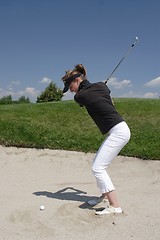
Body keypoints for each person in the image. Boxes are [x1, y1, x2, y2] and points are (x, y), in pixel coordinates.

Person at [61, 64, 131, 215]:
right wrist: (98, 88)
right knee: (98, 165)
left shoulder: (79, 96)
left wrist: (91, 89)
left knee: (98, 168)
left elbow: (82, 100)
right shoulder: (101, 86)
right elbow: (109, 100)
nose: (70, 90)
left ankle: (115, 206)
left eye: (70, 85)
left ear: (78, 80)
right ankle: (105, 197)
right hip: (120, 128)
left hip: (118, 131)